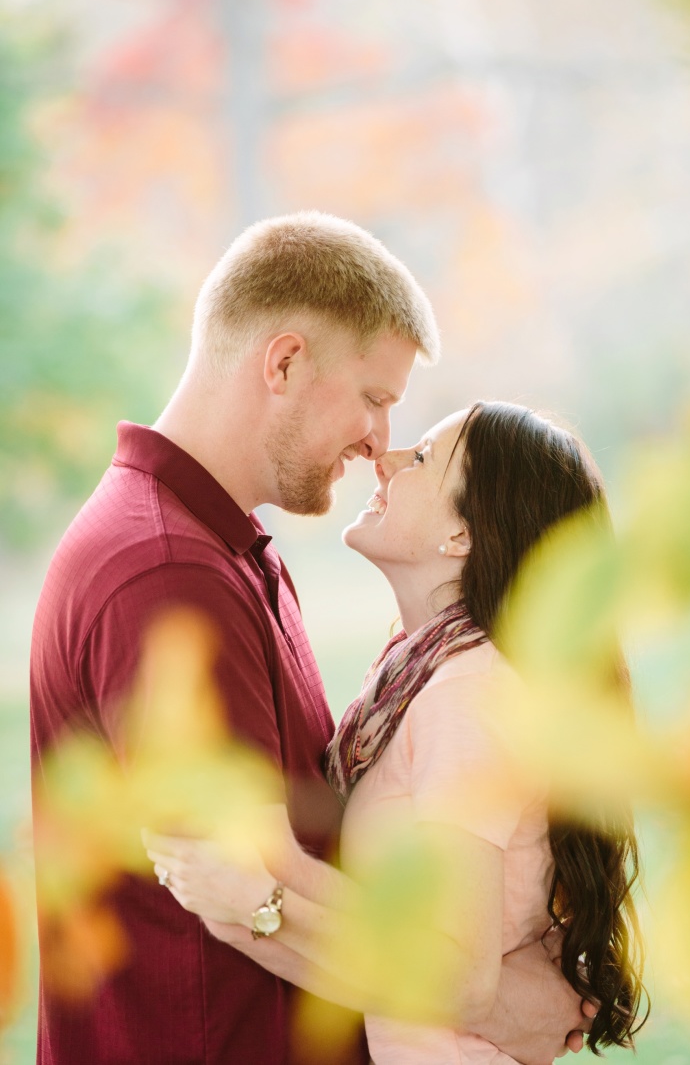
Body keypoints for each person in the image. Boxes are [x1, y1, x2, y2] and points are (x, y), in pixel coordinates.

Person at [31, 207, 594, 1065]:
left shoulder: (234, 554)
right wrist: (500, 996)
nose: (379, 443)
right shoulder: (166, 574)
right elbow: (245, 893)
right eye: (374, 399)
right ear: (285, 361)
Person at [146, 401, 646, 1064]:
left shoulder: (469, 694)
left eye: (419, 459)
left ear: (462, 537)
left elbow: (462, 980)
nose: (383, 460)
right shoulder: (422, 675)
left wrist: (260, 897)